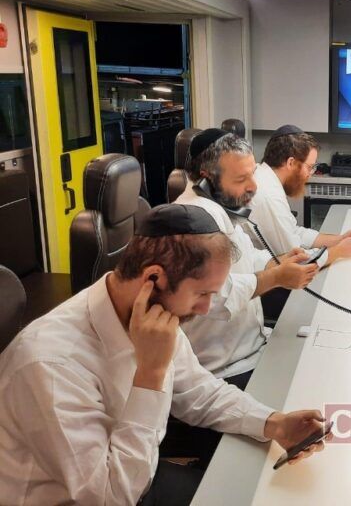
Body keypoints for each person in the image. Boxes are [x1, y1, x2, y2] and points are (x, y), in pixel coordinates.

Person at [0, 204, 327, 505]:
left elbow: (199, 391)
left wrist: (273, 423)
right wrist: (151, 374)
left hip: (133, 469)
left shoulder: (149, 314)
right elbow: (111, 497)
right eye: (202, 293)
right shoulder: (51, 364)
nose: (205, 308)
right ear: (153, 277)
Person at [174, 129, 318, 381]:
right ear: (207, 180)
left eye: (252, 174)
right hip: (225, 368)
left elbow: (246, 256)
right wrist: (276, 277)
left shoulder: (219, 205)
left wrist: (276, 262)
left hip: (252, 347)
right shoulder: (194, 222)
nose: (253, 186)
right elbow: (216, 297)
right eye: (242, 179)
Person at [249, 124, 351, 266]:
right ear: (291, 163)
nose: (310, 174)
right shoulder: (268, 196)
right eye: (309, 167)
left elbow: (294, 232)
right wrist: (338, 251)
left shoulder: (266, 179)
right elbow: (296, 260)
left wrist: (339, 240)